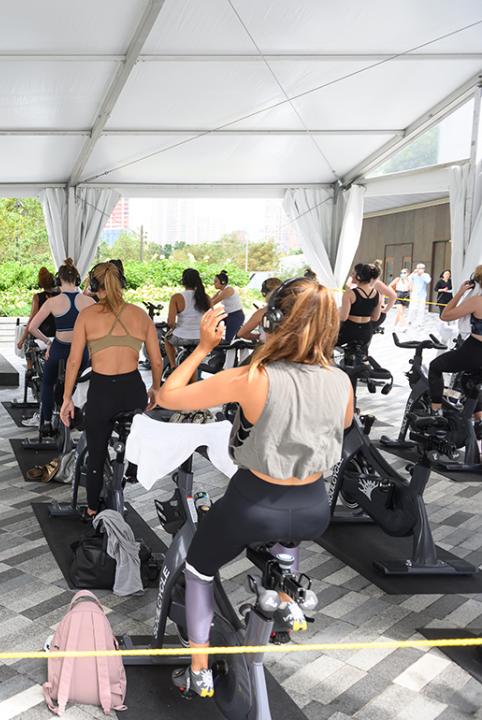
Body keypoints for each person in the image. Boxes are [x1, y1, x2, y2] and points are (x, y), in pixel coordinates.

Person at [154, 278, 353, 699]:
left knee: (199, 570)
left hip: (254, 503)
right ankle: (281, 594)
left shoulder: (252, 377)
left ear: (275, 320)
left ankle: (200, 670)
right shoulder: (341, 380)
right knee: (284, 545)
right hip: (315, 507)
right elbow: (344, 425)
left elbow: (168, 396)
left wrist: (205, 348)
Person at [59, 262, 164, 517]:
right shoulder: (140, 315)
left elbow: (74, 361)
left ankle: (93, 509)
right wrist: (156, 389)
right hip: (133, 389)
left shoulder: (87, 316)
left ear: (94, 286)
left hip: (102, 391)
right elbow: (158, 360)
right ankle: (132, 466)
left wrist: (67, 399)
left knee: (96, 453)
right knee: (134, 430)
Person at [26, 259, 95, 433]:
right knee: (83, 383)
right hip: (81, 350)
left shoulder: (52, 302)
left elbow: (32, 327)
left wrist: (48, 342)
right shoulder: (89, 302)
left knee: (48, 383)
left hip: (59, 347)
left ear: (59, 280)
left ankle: (47, 421)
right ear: (77, 280)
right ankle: (81, 418)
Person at [431, 267, 482, 423]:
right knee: (470, 382)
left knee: (435, 367)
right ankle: (479, 420)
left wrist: (460, 292)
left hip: (475, 349)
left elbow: (445, 315)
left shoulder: (477, 301)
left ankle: (435, 412)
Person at [164, 268, 210, 368]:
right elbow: (211, 318)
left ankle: (173, 365)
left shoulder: (176, 297)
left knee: (167, 341)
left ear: (183, 281)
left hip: (181, 337)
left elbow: (171, 322)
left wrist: (174, 327)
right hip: (200, 338)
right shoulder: (205, 297)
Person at [337, 263, 383, 348]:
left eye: (353, 273)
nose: (351, 276)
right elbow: (375, 317)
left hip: (350, 330)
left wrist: (336, 312)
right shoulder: (378, 294)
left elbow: (343, 317)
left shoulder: (349, 293)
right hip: (366, 331)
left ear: (359, 276)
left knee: (328, 345)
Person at [16, 267, 59, 353]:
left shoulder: (37, 297)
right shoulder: (60, 295)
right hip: (58, 333)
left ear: (40, 284)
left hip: (42, 334)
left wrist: (22, 340)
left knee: (28, 345)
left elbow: (32, 320)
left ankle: (29, 365)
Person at [238, 277, 282, 342]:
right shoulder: (293, 309)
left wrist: (259, 336)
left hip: (267, 349)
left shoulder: (263, 312)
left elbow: (241, 333)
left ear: (264, 293)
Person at [211, 270, 244, 341]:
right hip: (228, 315)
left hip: (236, 316)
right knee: (213, 323)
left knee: (229, 339)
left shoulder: (228, 290)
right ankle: (218, 341)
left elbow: (213, 302)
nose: (214, 283)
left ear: (222, 282)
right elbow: (210, 301)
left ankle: (225, 346)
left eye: (216, 281)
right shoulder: (221, 291)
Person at [408, 263, 432, 327]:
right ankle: (410, 320)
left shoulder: (426, 275)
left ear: (424, 269)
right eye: (418, 268)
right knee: (412, 307)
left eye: (421, 268)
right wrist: (413, 273)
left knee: (421, 309)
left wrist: (421, 275)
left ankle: (419, 322)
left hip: (422, 294)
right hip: (414, 294)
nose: (419, 269)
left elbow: (428, 281)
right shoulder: (414, 275)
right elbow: (409, 278)